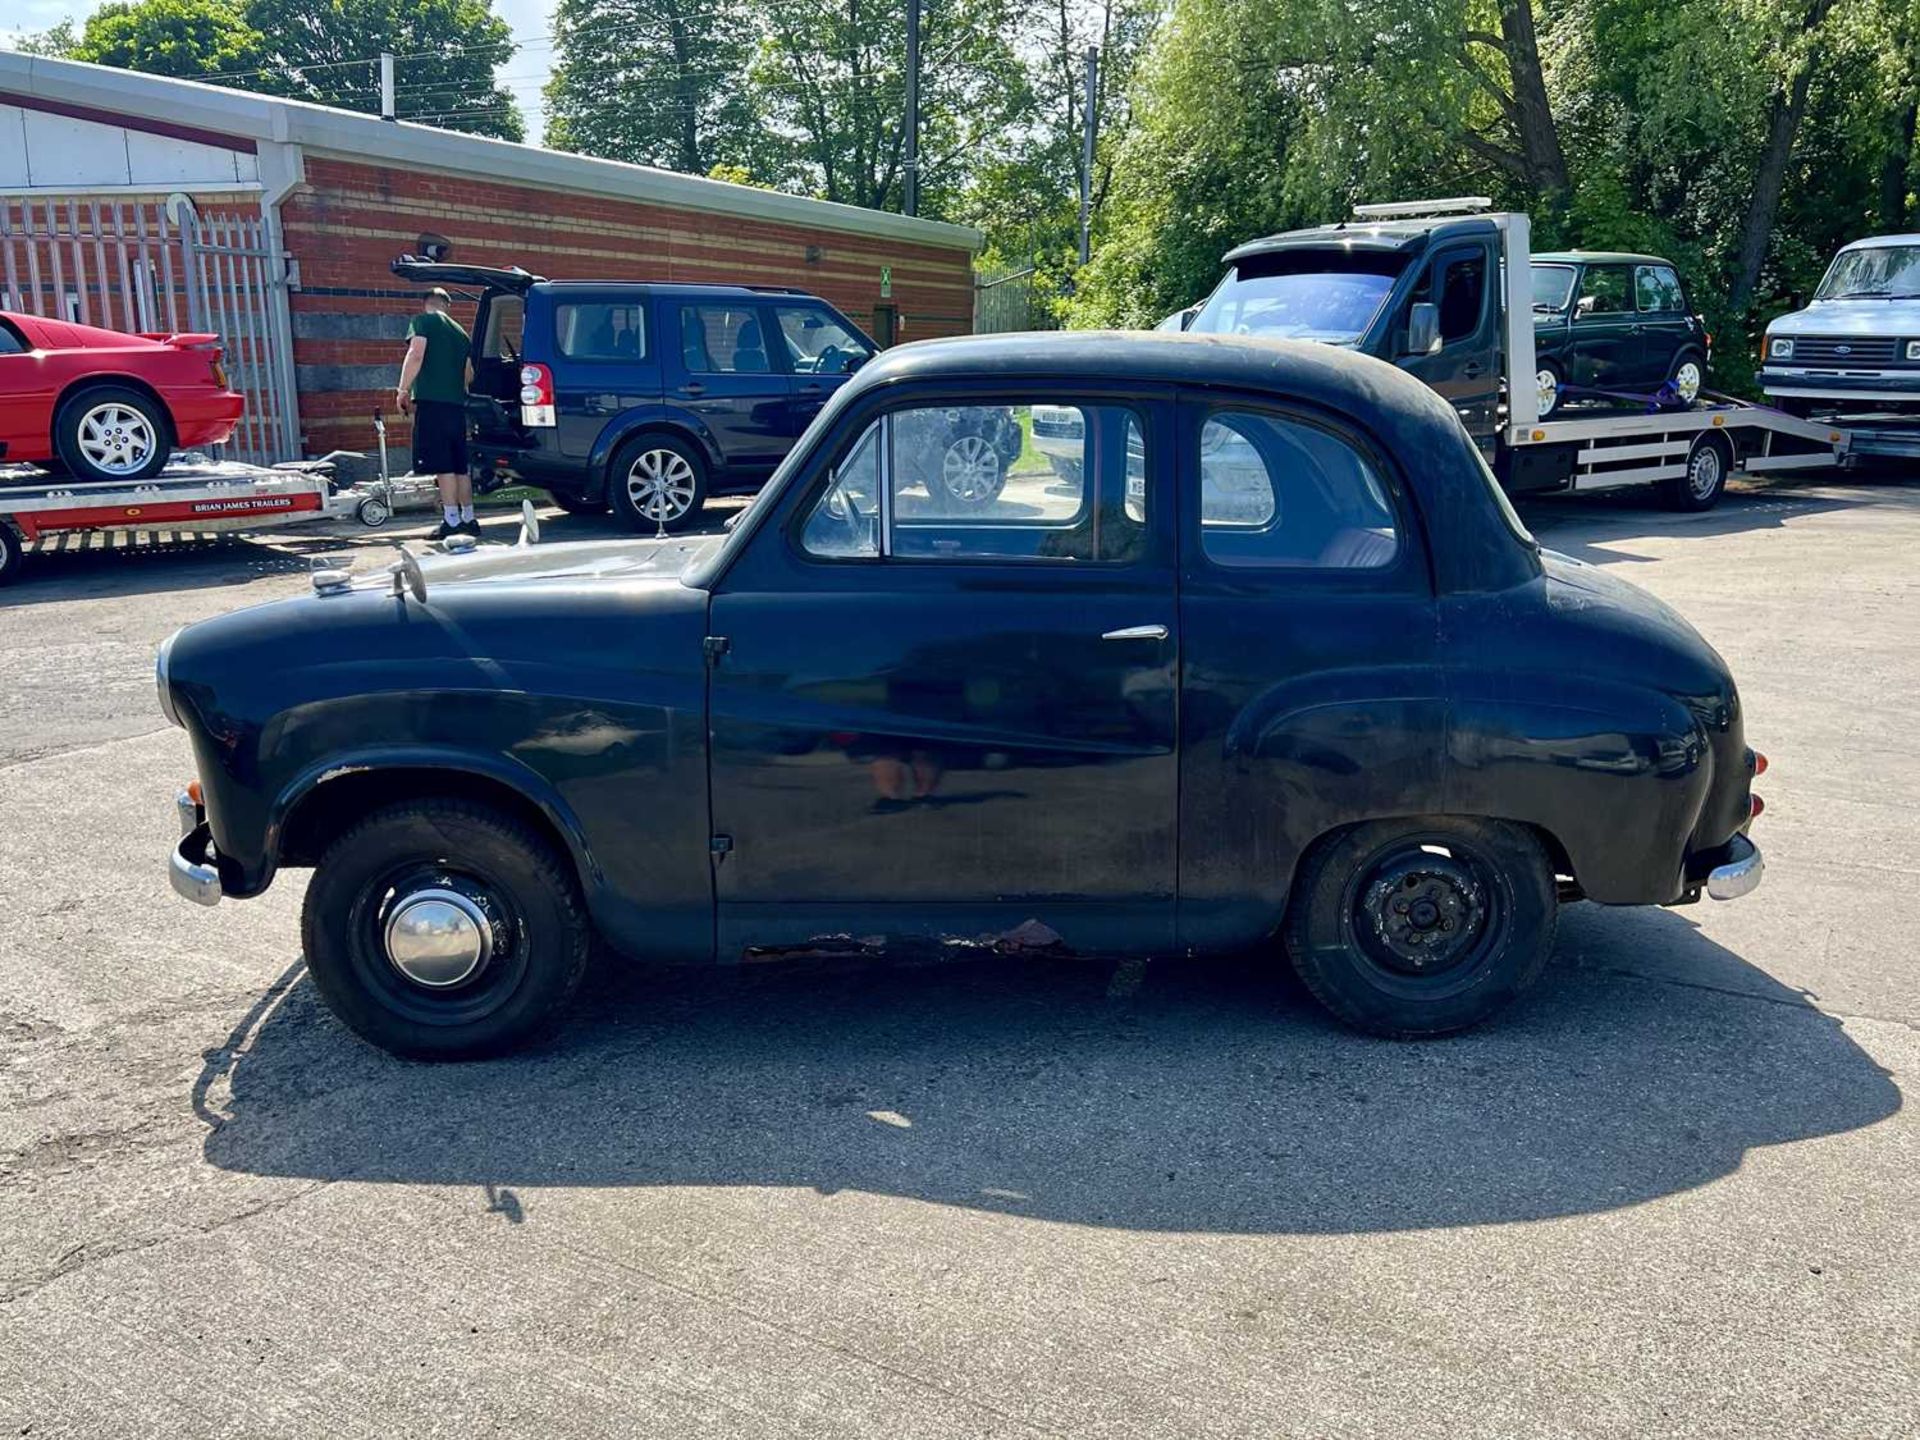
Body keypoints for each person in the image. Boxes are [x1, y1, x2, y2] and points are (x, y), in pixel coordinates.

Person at [395, 286, 475, 540]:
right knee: (460, 466)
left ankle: (450, 521)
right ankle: (469, 518)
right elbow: (468, 374)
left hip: (432, 403)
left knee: (443, 466)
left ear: (425, 302)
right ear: (447, 305)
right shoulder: (461, 333)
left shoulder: (423, 321)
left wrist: (402, 389)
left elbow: (416, 353)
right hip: (456, 406)